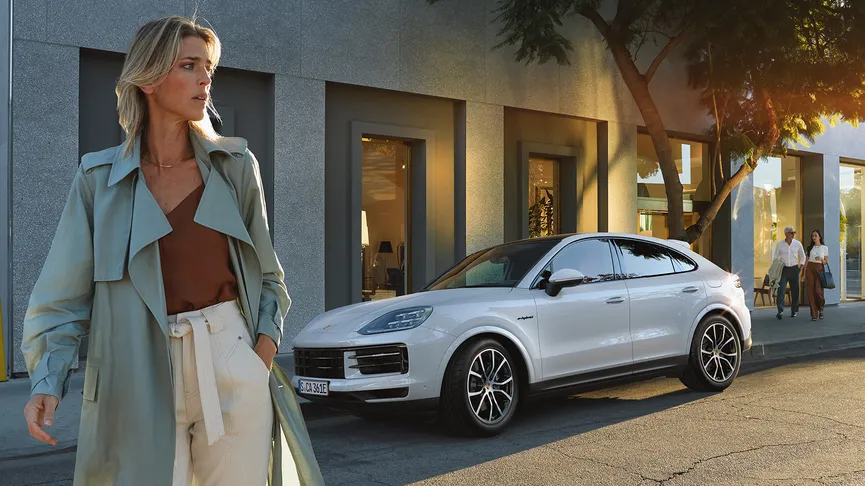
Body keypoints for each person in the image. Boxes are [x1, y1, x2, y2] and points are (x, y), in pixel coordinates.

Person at [21, 16, 322, 486]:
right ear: (148, 79)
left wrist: (257, 357)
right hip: (136, 372)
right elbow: (62, 298)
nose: (205, 78)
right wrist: (47, 381)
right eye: (189, 65)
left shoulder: (235, 167)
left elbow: (269, 276)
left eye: (208, 67)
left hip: (230, 357)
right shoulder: (97, 182)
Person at [773, 226, 806, 319]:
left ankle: (794, 310)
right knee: (781, 291)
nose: (793, 234)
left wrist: (801, 266)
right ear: (786, 234)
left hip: (795, 269)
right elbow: (775, 257)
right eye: (792, 232)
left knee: (795, 292)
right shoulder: (780, 244)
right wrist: (777, 266)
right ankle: (780, 311)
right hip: (784, 270)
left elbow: (803, 256)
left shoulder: (797, 244)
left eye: (794, 232)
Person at [805, 229, 829, 321]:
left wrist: (821, 259)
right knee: (810, 292)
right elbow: (806, 262)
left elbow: (826, 262)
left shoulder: (824, 248)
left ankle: (821, 309)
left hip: (819, 268)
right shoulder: (810, 247)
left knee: (818, 291)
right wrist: (803, 273)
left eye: (815, 235)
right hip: (810, 268)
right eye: (812, 236)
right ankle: (814, 314)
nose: (813, 237)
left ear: (819, 237)